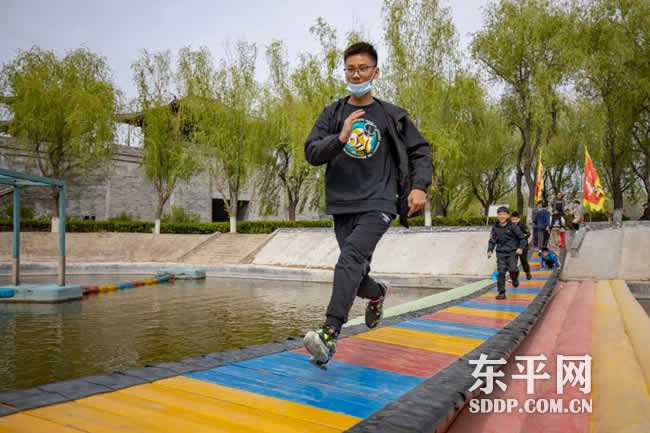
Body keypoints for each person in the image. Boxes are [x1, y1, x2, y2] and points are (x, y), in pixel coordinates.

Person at [303, 42, 432, 366]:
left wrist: (419, 187)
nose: (356, 74)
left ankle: (330, 334)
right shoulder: (332, 114)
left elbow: (420, 151)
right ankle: (377, 293)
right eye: (350, 69)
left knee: (349, 259)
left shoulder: (392, 115)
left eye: (362, 68)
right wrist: (341, 138)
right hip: (342, 203)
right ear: (344, 71)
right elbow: (312, 153)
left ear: (376, 72)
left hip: (380, 200)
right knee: (355, 272)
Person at [487, 206, 527, 300]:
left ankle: (514, 279)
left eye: (504, 214)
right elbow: (492, 240)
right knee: (501, 272)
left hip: (512, 252)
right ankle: (501, 293)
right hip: (500, 253)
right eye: (500, 214)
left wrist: (520, 248)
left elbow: (523, 238)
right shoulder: (495, 228)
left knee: (513, 270)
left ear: (508, 215)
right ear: (497, 216)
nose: (502, 216)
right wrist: (490, 250)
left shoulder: (513, 226)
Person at [510, 211, 532, 280]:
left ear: (519, 219)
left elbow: (528, 234)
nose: (514, 221)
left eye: (516, 219)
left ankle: (527, 272)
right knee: (513, 263)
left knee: (524, 262)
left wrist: (521, 237)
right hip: (513, 247)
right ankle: (514, 277)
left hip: (523, 247)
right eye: (513, 219)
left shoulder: (522, 225)